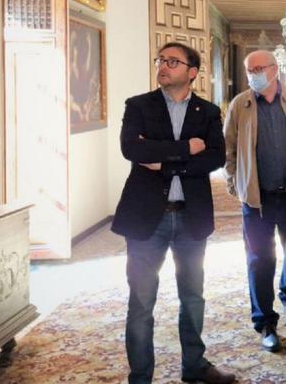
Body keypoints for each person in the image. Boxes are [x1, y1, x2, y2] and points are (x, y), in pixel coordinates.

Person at [112, 42, 234, 384]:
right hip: (146, 218)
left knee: (193, 297)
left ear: (192, 72)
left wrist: (162, 162)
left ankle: (194, 366)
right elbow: (131, 149)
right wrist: (184, 150)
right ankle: (140, 377)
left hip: (190, 216)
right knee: (141, 302)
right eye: (161, 60)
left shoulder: (208, 112)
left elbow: (215, 158)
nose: (163, 66)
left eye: (173, 62)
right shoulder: (139, 106)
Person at [223, 50, 286, 353]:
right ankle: (265, 322)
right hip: (257, 200)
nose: (254, 73)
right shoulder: (241, 104)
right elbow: (229, 149)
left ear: (275, 69)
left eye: (259, 68)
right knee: (259, 260)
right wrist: (234, 184)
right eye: (249, 69)